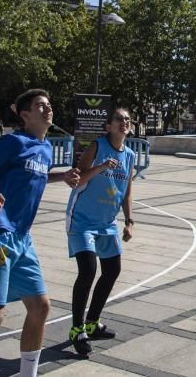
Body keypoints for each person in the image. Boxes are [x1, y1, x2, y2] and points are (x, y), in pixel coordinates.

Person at [0, 89, 81, 377]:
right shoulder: (13, 142)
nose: (47, 109)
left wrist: (61, 176)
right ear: (24, 114)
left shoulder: (44, 148)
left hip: (22, 240)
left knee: (40, 307)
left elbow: (36, 175)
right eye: (40, 105)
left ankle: (28, 373)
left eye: (49, 105)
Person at [65, 107, 137, 356]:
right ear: (108, 126)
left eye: (127, 119)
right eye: (119, 119)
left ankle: (92, 322)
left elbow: (127, 190)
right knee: (88, 271)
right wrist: (101, 166)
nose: (124, 122)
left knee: (112, 271)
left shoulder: (129, 154)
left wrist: (129, 220)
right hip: (82, 219)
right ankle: (77, 329)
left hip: (107, 223)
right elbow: (78, 178)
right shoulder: (96, 147)